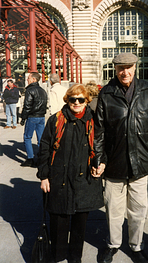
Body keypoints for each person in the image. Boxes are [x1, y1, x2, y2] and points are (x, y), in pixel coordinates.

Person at [92, 53, 148, 263]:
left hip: (141, 165)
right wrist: (99, 158)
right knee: (113, 211)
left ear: (135, 68)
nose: (125, 72)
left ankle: (136, 246)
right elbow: (99, 132)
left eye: (129, 67)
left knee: (138, 211)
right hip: (114, 164)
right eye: (120, 68)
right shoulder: (106, 93)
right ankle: (113, 245)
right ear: (115, 70)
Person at [37, 83, 104, 263]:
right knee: (59, 220)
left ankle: (75, 258)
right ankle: (57, 256)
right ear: (67, 100)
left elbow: (101, 146)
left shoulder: (94, 120)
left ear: (86, 101)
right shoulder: (56, 119)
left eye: (80, 99)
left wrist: (101, 163)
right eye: (72, 99)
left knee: (79, 224)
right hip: (59, 178)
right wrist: (43, 176)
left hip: (84, 180)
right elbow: (44, 148)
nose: (76, 102)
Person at [20, 72, 47, 167]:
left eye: (29, 78)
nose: (27, 79)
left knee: (27, 137)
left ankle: (30, 158)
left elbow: (27, 106)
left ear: (34, 79)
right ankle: (42, 158)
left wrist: (23, 118)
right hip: (41, 117)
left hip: (32, 117)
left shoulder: (30, 90)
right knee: (41, 139)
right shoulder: (43, 90)